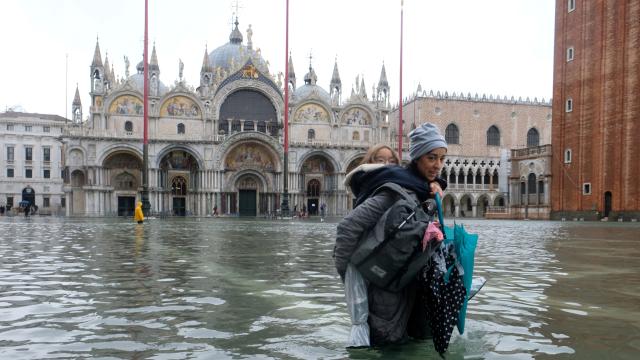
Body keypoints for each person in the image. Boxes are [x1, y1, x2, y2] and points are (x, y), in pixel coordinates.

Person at [335, 123, 448, 346]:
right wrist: (348, 274)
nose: (438, 165)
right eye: (431, 158)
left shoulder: (421, 190)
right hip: (385, 297)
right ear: (417, 157)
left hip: (410, 290)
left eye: (442, 159)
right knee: (387, 347)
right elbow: (347, 228)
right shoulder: (395, 191)